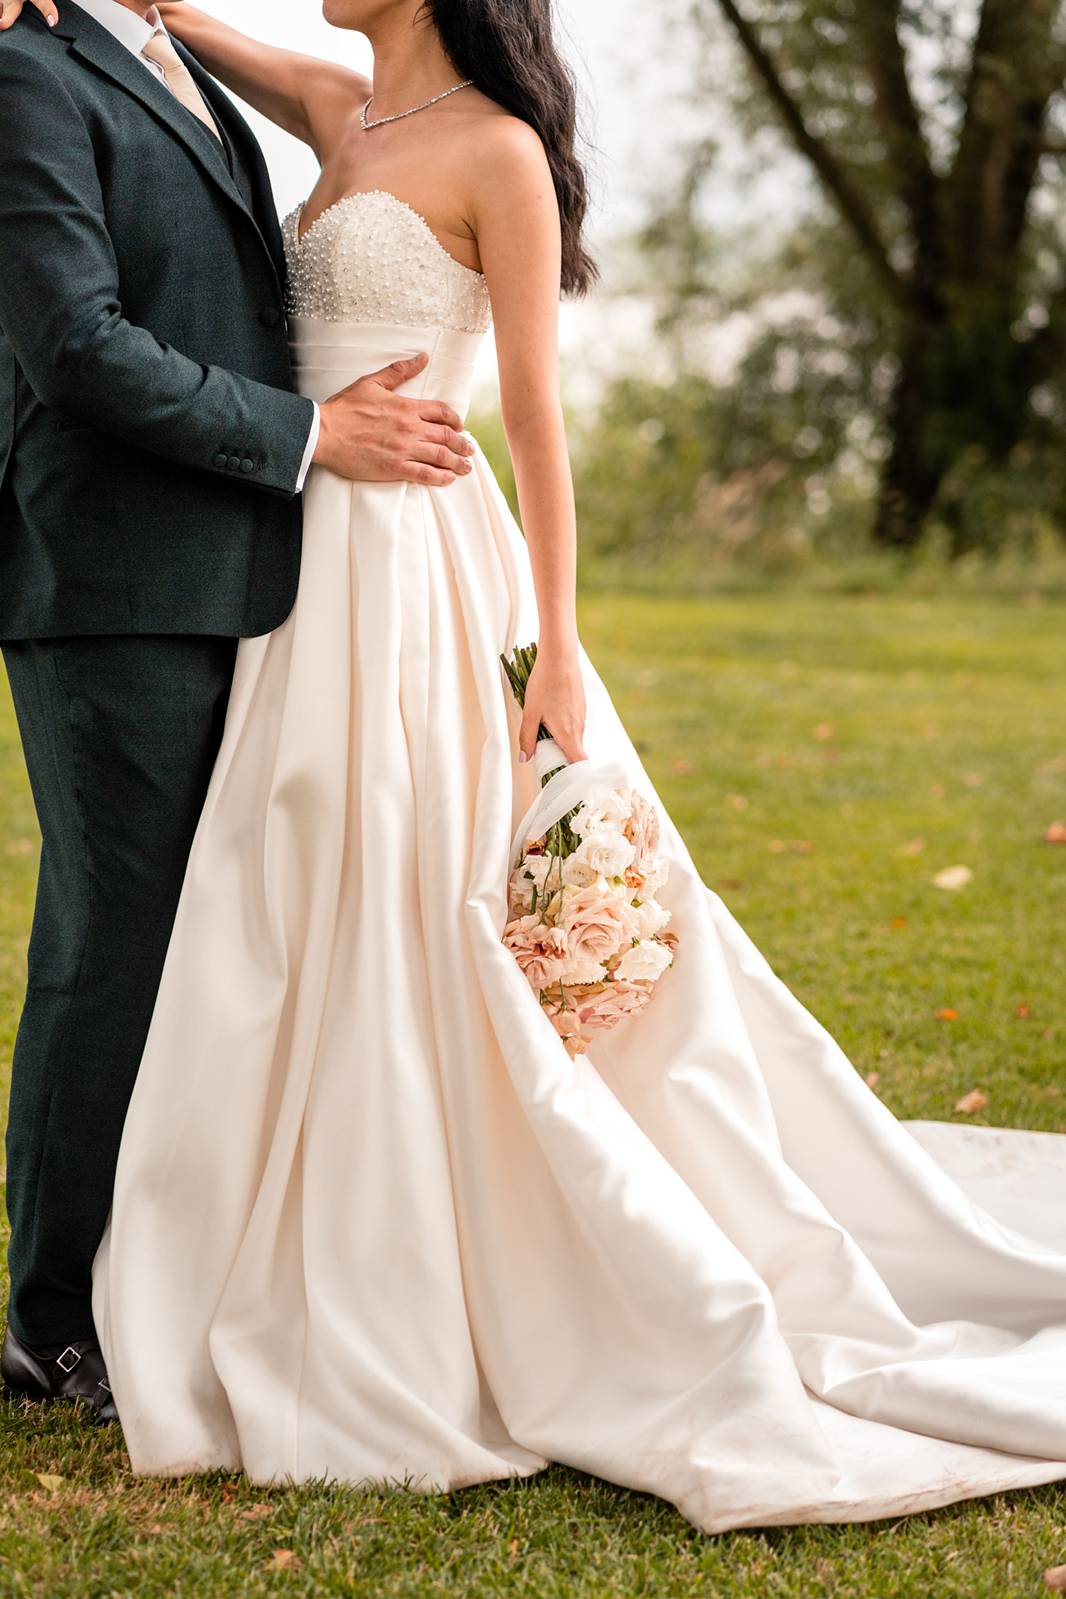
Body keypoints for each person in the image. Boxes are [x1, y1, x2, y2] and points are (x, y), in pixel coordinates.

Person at [9, 0, 1066, 1539]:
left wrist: (558, 646)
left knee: (404, 877)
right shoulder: (333, 102)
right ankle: (181, 1251)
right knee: (274, 892)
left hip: (422, 548)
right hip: (295, 553)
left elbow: (533, 411)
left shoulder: (499, 150)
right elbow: (167, 34)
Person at [0, 0, 476, 1423]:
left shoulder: (171, 64)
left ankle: (186, 1267)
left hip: (249, 580)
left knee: (223, 939)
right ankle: (51, 1321)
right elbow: (74, 346)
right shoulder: (26, 76)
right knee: (117, 943)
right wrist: (313, 434)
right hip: (113, 580)